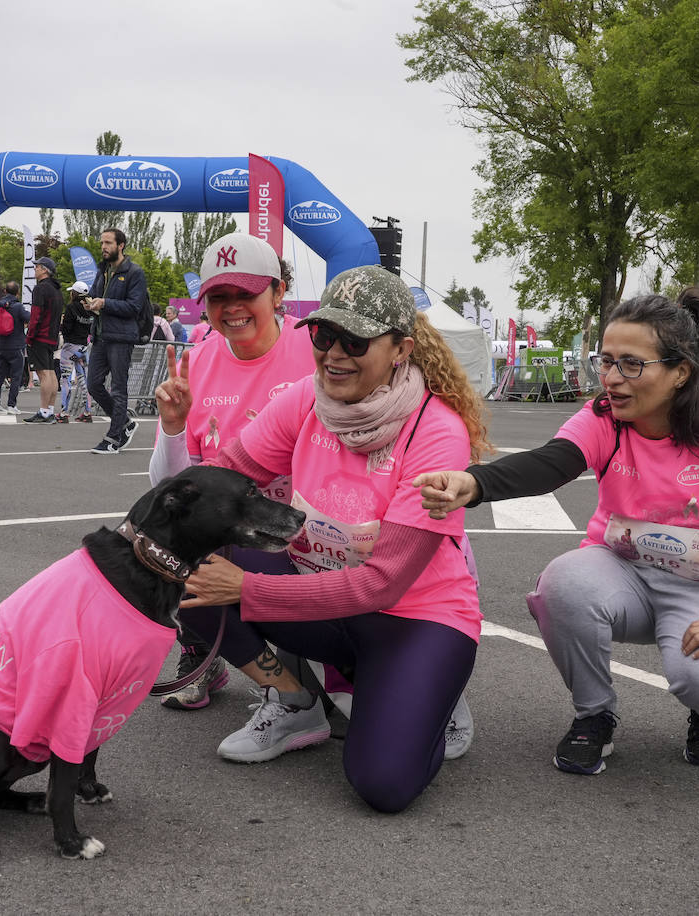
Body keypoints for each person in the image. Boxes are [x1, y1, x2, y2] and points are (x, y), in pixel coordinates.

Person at [416, 287, 699, 775]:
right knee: (563, 583)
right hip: (623, 575)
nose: (613, 379)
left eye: (632, 365)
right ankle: (594, 715)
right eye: (607, 361)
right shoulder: (605, 417)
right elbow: (552, 464)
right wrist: (474, 482)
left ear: (680, 372)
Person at [170, 265, 491, 813]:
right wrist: (171, 459)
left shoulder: (437, 431)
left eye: (356, 340)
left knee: (383, 785)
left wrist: (248, 590)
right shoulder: (304, 399)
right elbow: (219, 480)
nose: (334, 354)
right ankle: (297, 700)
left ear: (401, 349)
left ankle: (426, 694)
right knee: (183, 564)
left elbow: (383, 585)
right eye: (324, 336)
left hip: (416, 617)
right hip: (321, 599)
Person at [150, 233, 317, 712]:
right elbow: (172, 490)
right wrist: (174, 426)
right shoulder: (196, 362)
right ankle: (255, 679)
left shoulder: (317, 348)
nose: (233, 309)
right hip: (243, 535)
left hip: (319, 532)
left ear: (279, 293)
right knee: (167, 555)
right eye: (219, 298)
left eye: (247, 294)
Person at [86, 228, 148, 453]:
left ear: (121, 245)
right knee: (93, 385)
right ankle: (124, 423)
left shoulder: (133, 272)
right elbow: (95, 295)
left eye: (108, 243)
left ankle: (113, 438)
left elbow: (135, 306)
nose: (103, 247)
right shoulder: (102, 270)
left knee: (118, 388)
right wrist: (89, 302)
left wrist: (105, 303)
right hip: (101, 335)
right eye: (102, 242)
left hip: (122, 337)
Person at [23, 258, 64, 424]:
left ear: (45, 270)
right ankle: (50, 410)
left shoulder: (40, 289)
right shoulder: (56, 290)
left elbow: (36, 315)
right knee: (51, 372)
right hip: (52, 336)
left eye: (37, 267)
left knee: (43, 374)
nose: (35, 269)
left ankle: (44, 411)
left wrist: (29, 336)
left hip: (40, 336)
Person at [0, 280, 29, 415]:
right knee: (16, 377)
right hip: (16, 346)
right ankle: (11, 405)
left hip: (1, 346)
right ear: (17, 293)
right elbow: (28, 318)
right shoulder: (18, 307)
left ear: (5, 291)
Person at [57, 280, 95, 423]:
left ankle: (63, 413)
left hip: (70, 348)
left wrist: (62, 326)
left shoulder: (71, 307)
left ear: (74, 293)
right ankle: (87, 412)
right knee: (83, 379)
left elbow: (66, 328)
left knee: (66, 380)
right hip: (83, 348)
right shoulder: (90, 308)